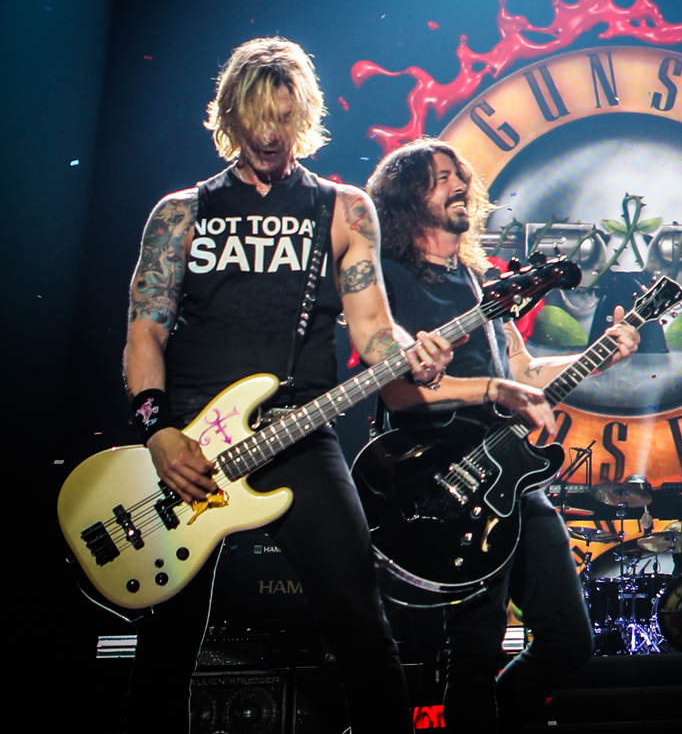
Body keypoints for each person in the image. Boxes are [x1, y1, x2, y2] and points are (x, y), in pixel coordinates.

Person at [122, 38, 451, 734]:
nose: (270, 134)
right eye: (256, 117)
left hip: (298, 433)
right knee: (168, 639)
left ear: (305, 116)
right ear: (230, 117)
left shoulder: (343, 208)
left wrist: (412, 356)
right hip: (191, 445)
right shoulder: (181, 212)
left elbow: (373, 330)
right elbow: (145, 331)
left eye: (283, 116)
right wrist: (158, 433)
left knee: (360, 620)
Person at [367, 138, 640, 733]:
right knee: (474, 652)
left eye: (460, 175)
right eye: (441, 177)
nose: (459, 184)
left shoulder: (478, 280)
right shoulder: (388, 278)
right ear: (408, 196)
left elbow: (521, 374)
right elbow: (398, 393)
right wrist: (493, 391)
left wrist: (601, 355)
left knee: (569, 641)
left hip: (513, 480)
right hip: (444, 480)